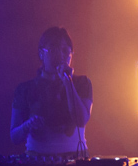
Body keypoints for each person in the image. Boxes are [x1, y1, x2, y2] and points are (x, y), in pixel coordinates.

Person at [11, 26, 93, 157]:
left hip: (75, 160)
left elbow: (81, 119)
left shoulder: (82, 83)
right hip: (37, 160)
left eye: (66, 51)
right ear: (41, 53)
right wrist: (27, 126)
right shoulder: (25, 88)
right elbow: (14, 136)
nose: (60, 55)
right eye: (54, 49)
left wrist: (68, 82)